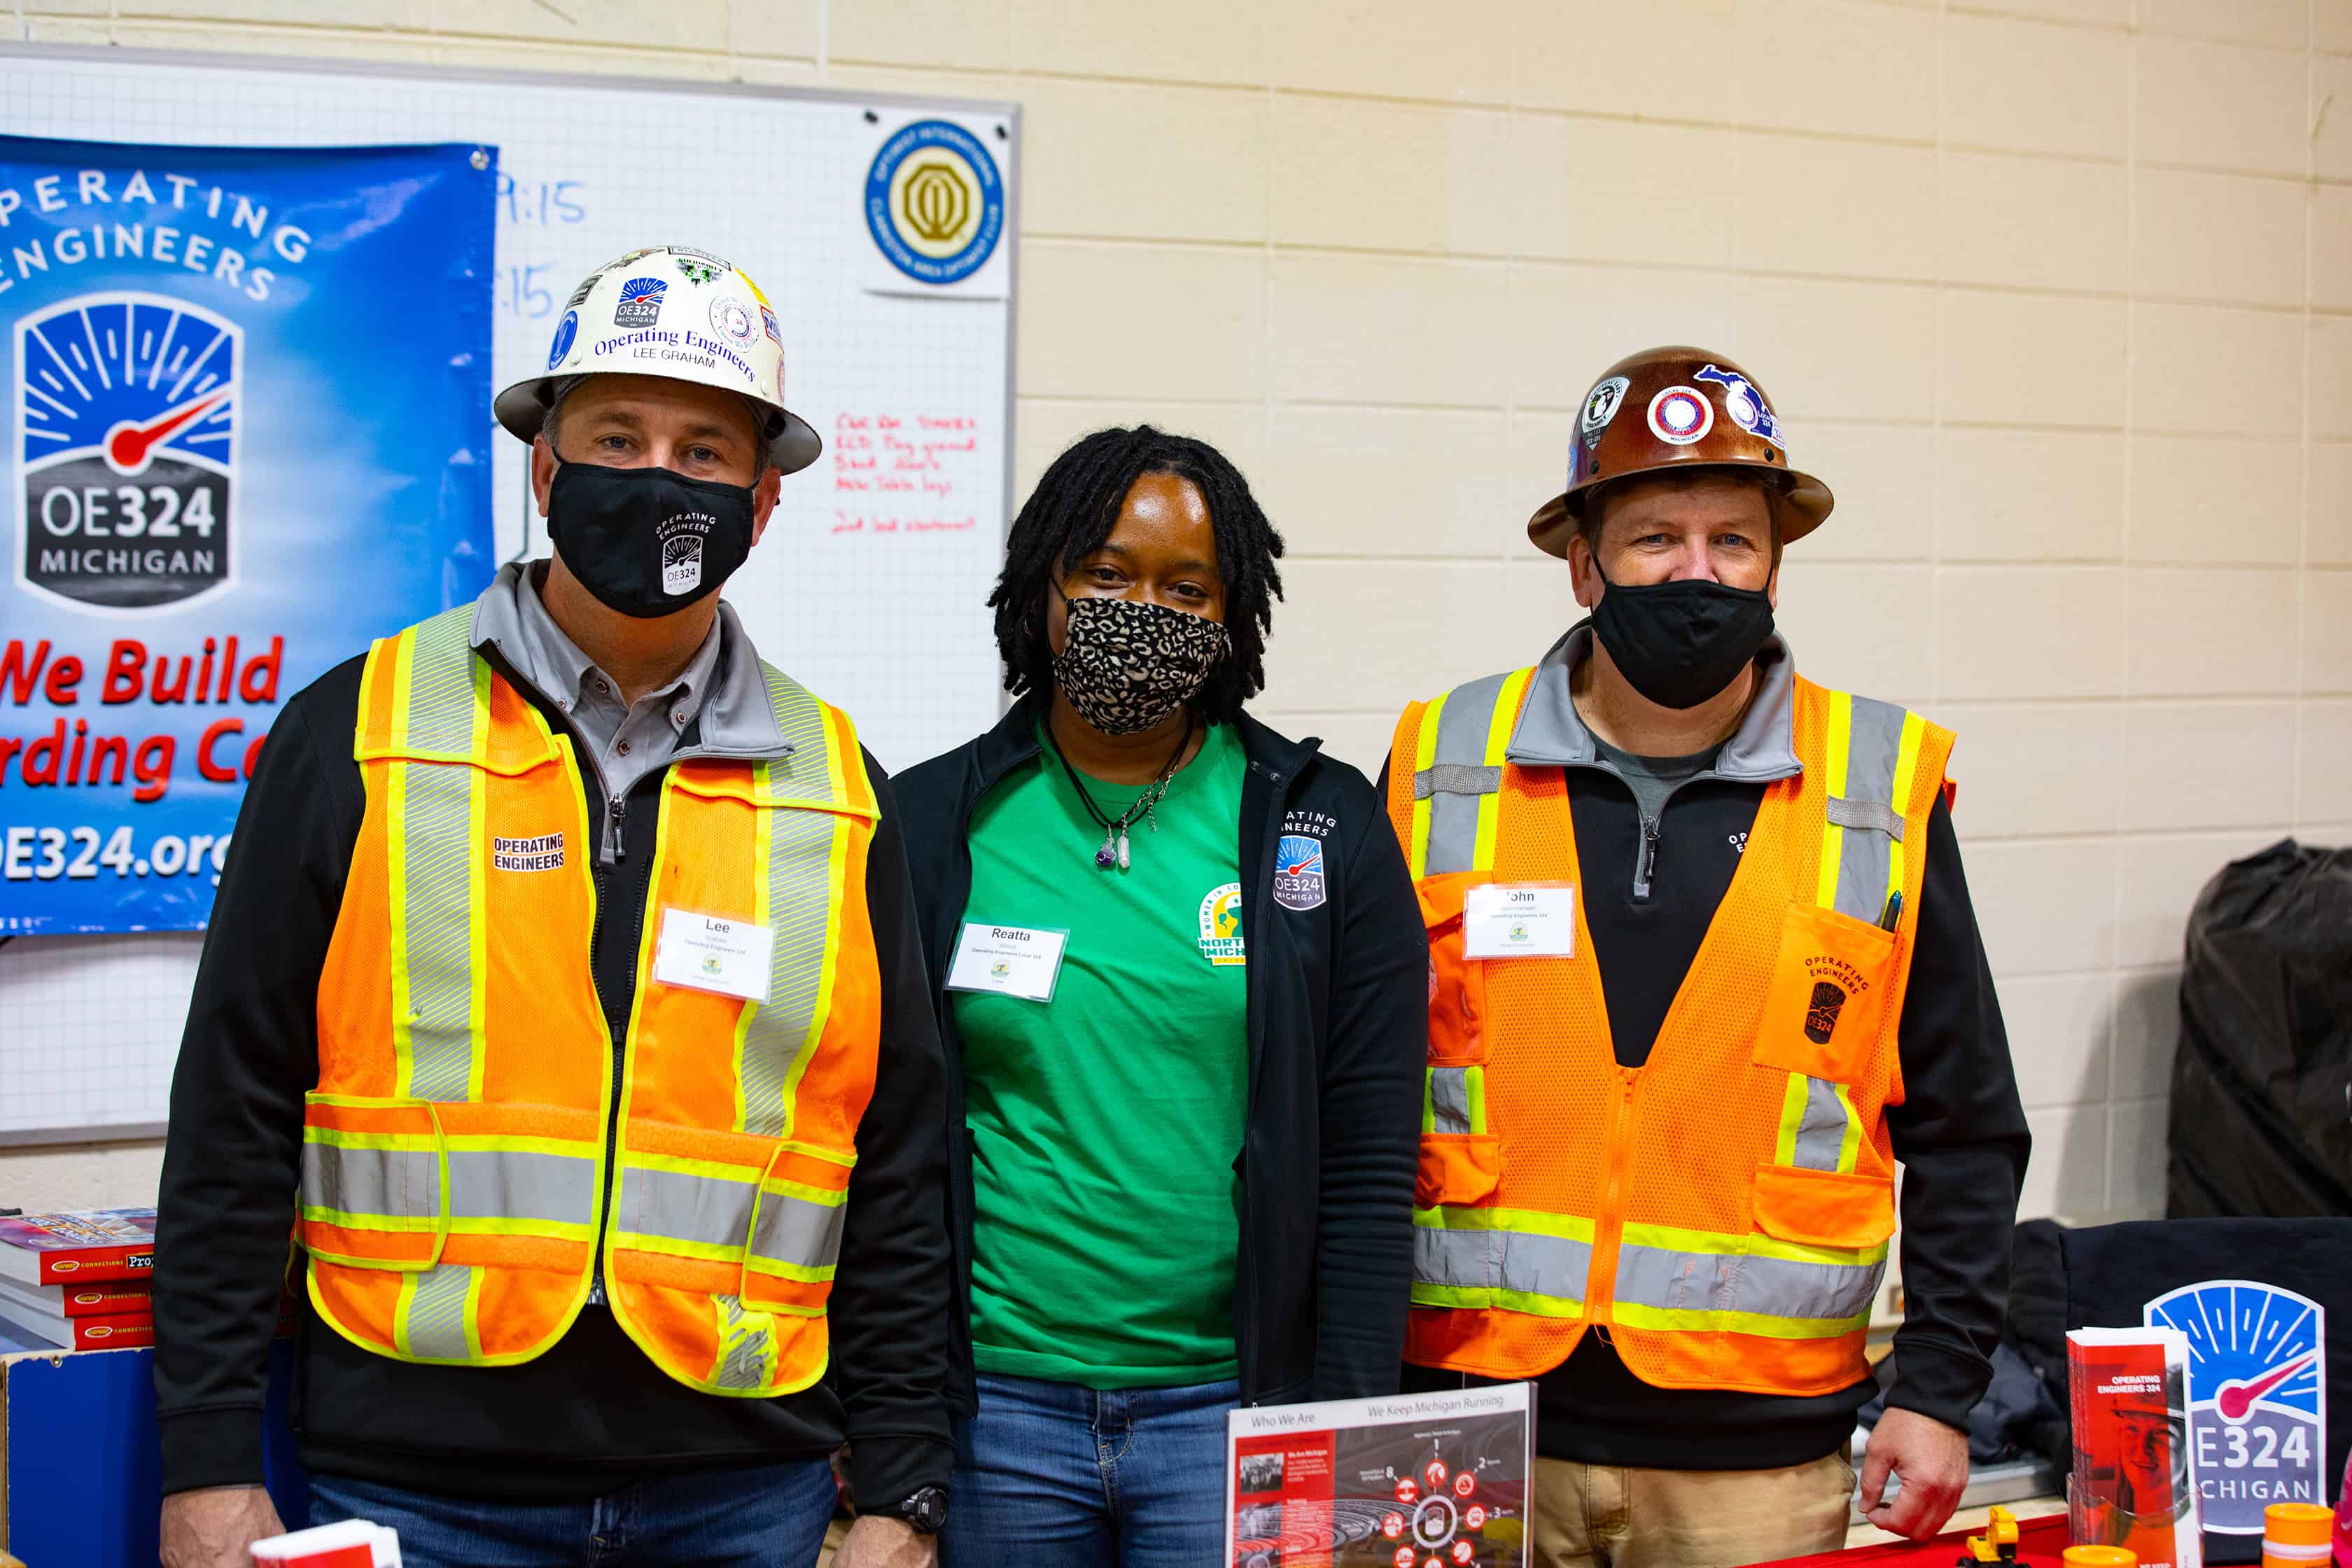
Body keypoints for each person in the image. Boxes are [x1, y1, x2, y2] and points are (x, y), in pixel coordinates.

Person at [153, 246, 952, 1568]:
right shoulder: (356, 734)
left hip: (744, 1487)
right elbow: (235, 1109)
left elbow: (899, 1162)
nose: (659, 476)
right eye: (618, 436)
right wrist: (207, 1464)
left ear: (763, 501)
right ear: (545, 468)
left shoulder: (840, 786)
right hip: (416, 1485)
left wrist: (901, 1490)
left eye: (705, 451)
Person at [1385, 347, 2031, 1568]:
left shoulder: (1879, 789)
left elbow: (1965, 1122)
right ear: (1584, 565)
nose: (1698, 573)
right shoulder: (1435, 764)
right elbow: (1350, 1094)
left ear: (1776, 563)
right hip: (1466, 1431)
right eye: (1654, 539)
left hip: (1757, 1460)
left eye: (1733, 541)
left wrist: (1940, 1387)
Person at [893, 426, 1426, 1566]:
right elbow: (885, 1140)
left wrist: (1343, 1432)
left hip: (1235, 1413)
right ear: (1043, 585)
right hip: (999, 1417)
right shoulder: (933, 823)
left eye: (1189, 588)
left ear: (1233, 619)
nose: (1144, 609)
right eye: (1106, 574)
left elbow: (1372, 1157)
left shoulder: (1321, 824)